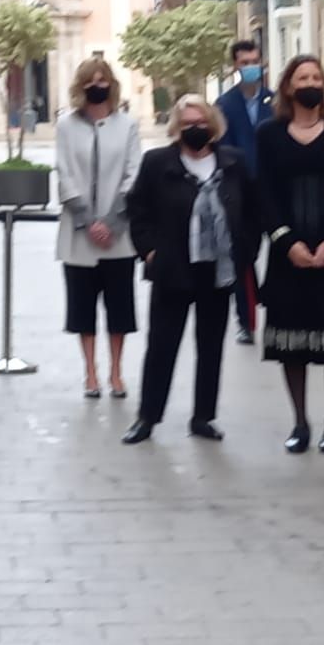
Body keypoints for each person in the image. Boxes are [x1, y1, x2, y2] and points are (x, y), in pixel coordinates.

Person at [121, 95, 259, 445]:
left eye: (199, 123)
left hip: (218, 271)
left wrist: (245, 253)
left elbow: (253, 210)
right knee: (161, 346)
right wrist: (149, 251)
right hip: (173, 269)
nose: (194, 129)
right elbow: (138, 210)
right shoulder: (158, 162)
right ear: (176, 128)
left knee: (211, 347)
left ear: (211, 125)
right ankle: (147, 418)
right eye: (186, 124)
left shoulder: (233, 162)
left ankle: (203, 417)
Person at [256, 55, 324, 455]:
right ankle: (300, 421)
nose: (310, 82)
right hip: (289, 254)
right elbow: (264, 193)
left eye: (316, 77)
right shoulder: (269, 134)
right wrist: (287, 243)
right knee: (293, 345)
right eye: (302, 77)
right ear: (287, 86)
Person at [55, 57, 142, 399]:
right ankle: (90, 372)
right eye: (90, 80)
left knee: (119, 308)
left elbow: (134, 172)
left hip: (117, 236)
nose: (97, 85)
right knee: (82, 307)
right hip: (79, 236)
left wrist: (113, 222)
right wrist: (87, 220)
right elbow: (63, 172)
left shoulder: (128, 125)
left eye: (102, 80)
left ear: (112, 84)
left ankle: (116, 372)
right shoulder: (65, 125)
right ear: (80, 86)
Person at [215, 40, 275, 345]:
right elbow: (221, 151)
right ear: (236, 67)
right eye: (245, 62)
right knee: (243, 259)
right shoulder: (224, 105)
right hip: (240, 195)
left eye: (255, 60)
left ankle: (278, 313)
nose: (251, 66)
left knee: (281, 254)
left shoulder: (275, 102)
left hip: (273, 191)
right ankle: (246, 321)